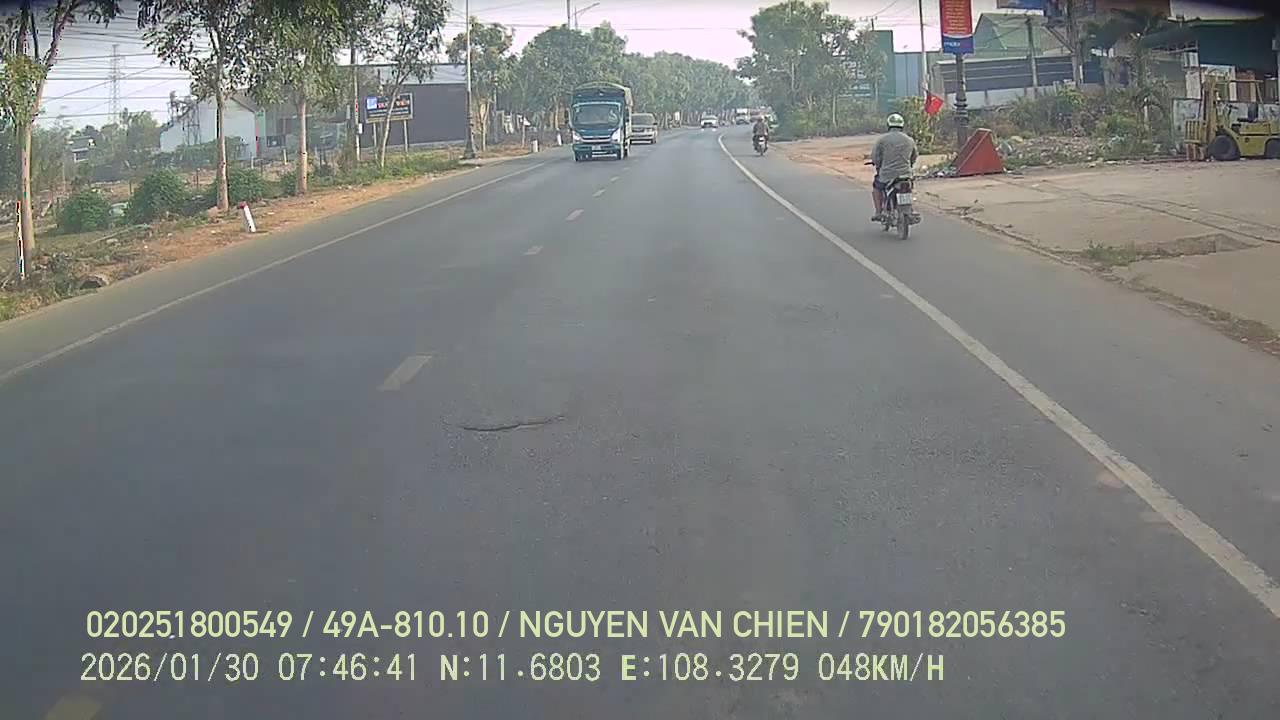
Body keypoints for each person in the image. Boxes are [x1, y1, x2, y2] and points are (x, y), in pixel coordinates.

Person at [870, 113, 918, 222]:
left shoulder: (882, 140)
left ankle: (878, 212)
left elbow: (875, 157)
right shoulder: (909, 140)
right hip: (906, 174)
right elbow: (914, 156)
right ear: (902, 126)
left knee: (877, 188)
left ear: (888, 125)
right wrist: (909, 165)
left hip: (887, 175)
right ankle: (910, 209)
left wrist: (878, 165)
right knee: (909, 188)